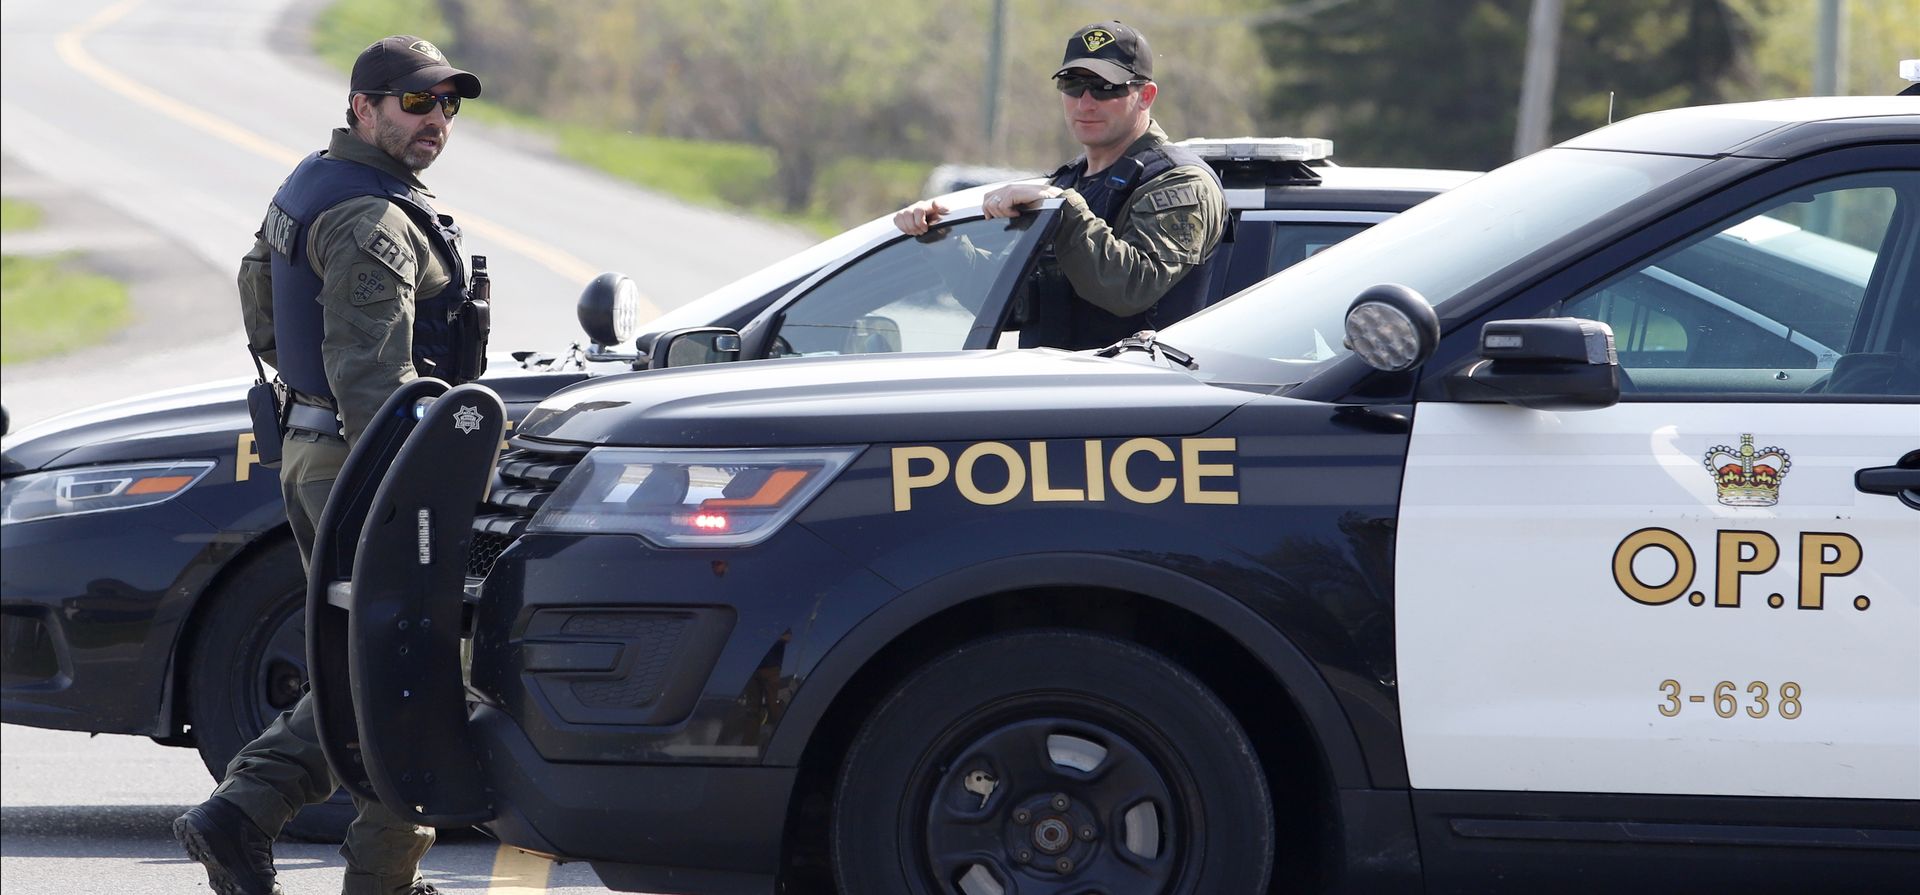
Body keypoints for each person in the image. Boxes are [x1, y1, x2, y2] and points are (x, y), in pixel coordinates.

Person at [172, 35, 484, 895]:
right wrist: (418, 485)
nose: (437, 121)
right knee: (415, 666)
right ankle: (372, 873)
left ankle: (240, 815)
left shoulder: (312, 184)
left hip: (323, 452)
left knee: (372, 663)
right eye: (416, 103)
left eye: (448, 105)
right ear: (363, 107)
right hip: (373, 459)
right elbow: (374, 381)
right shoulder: (371, 218)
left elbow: (262, 310)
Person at [894, 20, 1225, 350]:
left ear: (1145, 96)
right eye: (1073, 84)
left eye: (1106, 87)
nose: (1085, 102)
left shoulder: (1179, 183)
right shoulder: (1066, 182)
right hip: (1057, 391)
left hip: (1135, 395)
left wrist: (1062, 209)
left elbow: (1129, 289)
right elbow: (1017, 304)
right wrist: (945, 241)